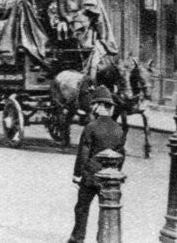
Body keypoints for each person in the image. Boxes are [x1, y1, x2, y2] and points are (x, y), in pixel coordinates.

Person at [69, 84, 125, 243]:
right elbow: (121, 155)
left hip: (90, 176)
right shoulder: (118, 130)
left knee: (81, 207)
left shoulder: (91, 127)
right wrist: (115, 174)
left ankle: (77, 238)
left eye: (94, 104)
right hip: (109, 179)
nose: (92, 107)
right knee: (107, 209)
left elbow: (83, 153)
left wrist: (77, 175)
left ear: (100, 106)